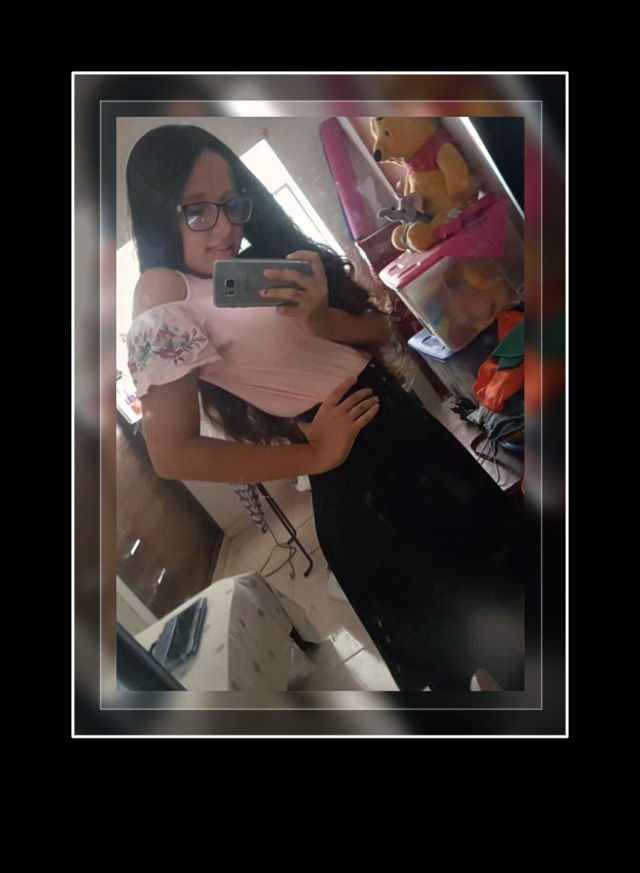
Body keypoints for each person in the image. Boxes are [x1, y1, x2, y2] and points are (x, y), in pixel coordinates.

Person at [126, 123, 536, 691]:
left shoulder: (256, 263)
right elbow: (171, 453)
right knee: (464, 634)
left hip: (415, 436)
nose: (225, 227)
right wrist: (315, 455)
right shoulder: (162, 291)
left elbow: (379, 332)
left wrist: (321, 318)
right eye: (198, 210)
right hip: (362, 478)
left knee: (516, 585)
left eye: (232, 203)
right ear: (158, 211)